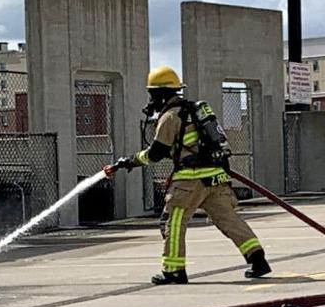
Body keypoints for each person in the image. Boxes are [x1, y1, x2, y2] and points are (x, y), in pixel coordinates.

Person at [104, 66, 271, 285]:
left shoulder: (170, 117)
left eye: (152, 94)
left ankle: (173, 270)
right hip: (216, 177)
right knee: (229, 219)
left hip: (189, 182)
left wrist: (128, 162)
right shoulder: (195, 111)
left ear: (160, 94)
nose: (151, 99)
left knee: (171, 223)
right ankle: (257, 260)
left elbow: (155, 154)